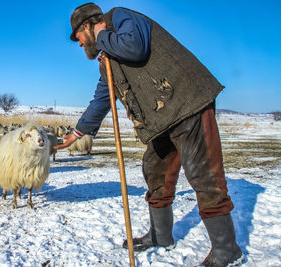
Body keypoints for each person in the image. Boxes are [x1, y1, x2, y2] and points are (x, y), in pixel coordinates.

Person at [54, 3, 243, 267]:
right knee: (155, 171)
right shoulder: (108, 58)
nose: (78, 44)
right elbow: (101, 98)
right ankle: (161, 235)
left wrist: (100, 37)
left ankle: (227, 248)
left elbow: (135, 46)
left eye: (78, 37)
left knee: (202, 173)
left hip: (187, 103)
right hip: (161, 119)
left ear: (86, 26)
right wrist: (77, 133)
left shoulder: (121, 19)